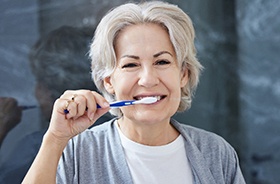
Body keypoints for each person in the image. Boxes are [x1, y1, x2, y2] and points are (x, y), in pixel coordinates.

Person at [23, 1, 246, 184]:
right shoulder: (76, 152)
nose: (148, 79)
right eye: (131, 65)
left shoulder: (216, 153)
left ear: (183, 75)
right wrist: (55, 139)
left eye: (162, 61)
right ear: (108, 81)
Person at [0, 26, 111, 183]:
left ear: (47, 89)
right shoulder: (116, 132)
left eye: (39, 81)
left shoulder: (35, 148)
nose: (35, 91)